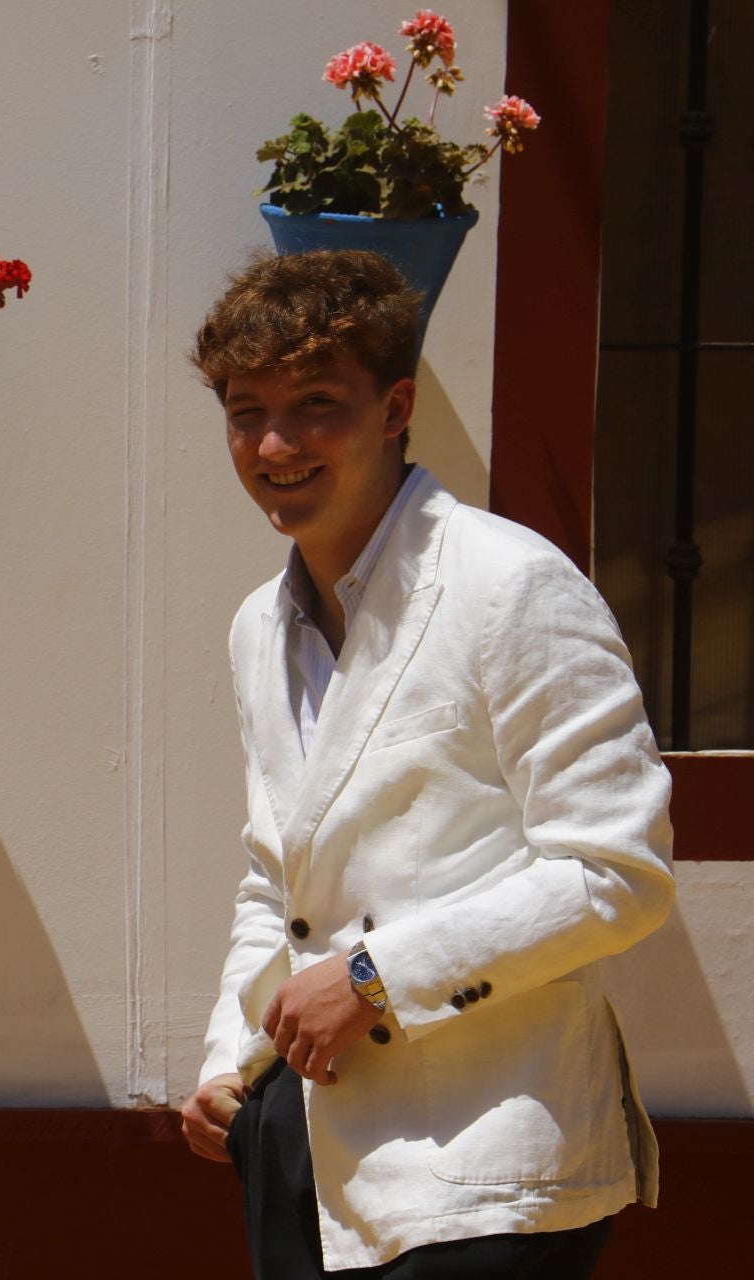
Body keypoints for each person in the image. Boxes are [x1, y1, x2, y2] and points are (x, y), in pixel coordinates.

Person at [178, 249, 675, 1277]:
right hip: (307, 1150)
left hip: (492, 1171)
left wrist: (374, 978)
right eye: (245, 411)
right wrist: (232, 1058)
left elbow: (615, 873)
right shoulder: (257, 626)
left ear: (396, 406)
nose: (274, 444)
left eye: (316, 404)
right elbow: (277, 877)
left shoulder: (513, 583)